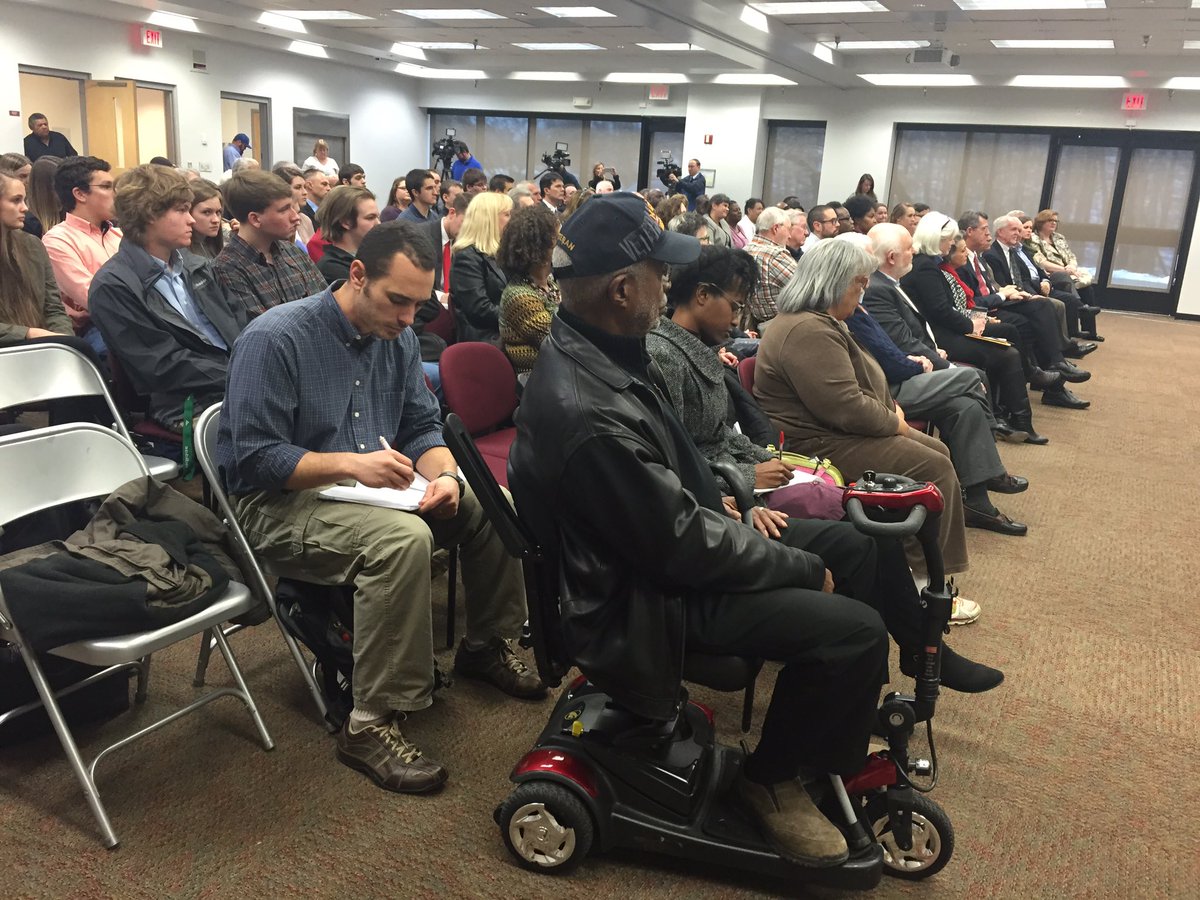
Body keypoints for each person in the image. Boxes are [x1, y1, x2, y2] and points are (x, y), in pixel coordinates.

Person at [511, 192, 891, 867]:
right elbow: (680, 545)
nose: (670, 285)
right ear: (623, 290)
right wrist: (796, 567)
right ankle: (770, 779)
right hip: (643, 603)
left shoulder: (607, 350)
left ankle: (829, 732)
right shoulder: (588, 409)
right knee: (853, 631)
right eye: (661, 273)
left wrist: (742, 511)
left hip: (660, 558)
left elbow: (675, 497)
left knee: (852, 545)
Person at [217, 221, 541, 794]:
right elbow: (253, 459)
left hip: (366, 492)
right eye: (398, 301)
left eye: (419, 305)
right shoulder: (276, 338)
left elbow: (421, 428)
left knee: (493, 503)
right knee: (402, 541)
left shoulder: (399, 338)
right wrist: (349, 463)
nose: (409, 318)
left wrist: (445, 477)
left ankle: (486, 645)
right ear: (357, 275)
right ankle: (368, 722)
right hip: (275, 505)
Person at [647, 244, 1001, 686]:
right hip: (723, 502)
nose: (738, 321)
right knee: (871, 529)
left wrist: (765, 461)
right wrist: (746, 480)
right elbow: (671, 456)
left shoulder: (697, 349)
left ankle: (912, 648)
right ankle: (916, 646)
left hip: (738, 486)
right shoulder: (666, 356)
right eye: (735, 307)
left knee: (872, 532)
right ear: (702, 296)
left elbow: (717, 436)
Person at [753, 239, 975, 592]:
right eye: (859, 281)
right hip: (819, 444)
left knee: (939, 453)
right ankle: (924, 583)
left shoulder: (821, 321)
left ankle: (916, 567)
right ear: (834, 282)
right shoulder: (806, 329)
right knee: (934, 467)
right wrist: (894, 422)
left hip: (838, 432)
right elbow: (845, 407)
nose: (864, 289)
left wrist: (890, 411)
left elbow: (853, 391)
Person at [89, 164, 246, 432]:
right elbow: (161, 366)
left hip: (237, 383)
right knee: (289, 425)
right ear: (149, 214)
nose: (191, 220)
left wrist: (262, 363)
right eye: (182, 210)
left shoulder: (197, 266)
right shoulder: (113, 287)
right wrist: (243, 373)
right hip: (187, 403)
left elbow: (241, 324)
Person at [901, 213, 1050, 444]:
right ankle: (1017, 421)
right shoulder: (926, 267)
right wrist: (971, 324)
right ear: (936, 238)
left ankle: (1009, 417)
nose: (951, 244)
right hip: (937, 337)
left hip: (943, 330)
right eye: (949, 239)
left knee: (1007, 348)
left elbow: (946, 309)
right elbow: (941, 311)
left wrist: (972, 322)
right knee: (1007, 354)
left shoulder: (929, 263)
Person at [955, 210, 1091, 412]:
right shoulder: (964, 259)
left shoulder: (979, 257)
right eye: (984, 229)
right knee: (1033, 317)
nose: (988, 234)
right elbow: (971, 300)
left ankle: (1052, 371)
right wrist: (1004, 294)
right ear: (969, 231)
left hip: (998, 300)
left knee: (1043, 309)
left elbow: (1000, 283)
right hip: (983, 310)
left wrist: (1010, 292)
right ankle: (1047, 371)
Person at [213, 170, 327, 318]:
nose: (296, 217)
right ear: (255, 219)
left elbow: (328, 306)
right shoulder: (227, 269)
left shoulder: (293, 252)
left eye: (293, 207)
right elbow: (267, 329)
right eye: (284, 210)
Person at [42, 156, 122, 356]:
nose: (115, 194)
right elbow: (94, 298)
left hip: (131, 315)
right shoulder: (58, 240)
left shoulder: (120, 235)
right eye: (106, 187)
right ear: (80, 194)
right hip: (95, 326)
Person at [0, 171, 72, 346]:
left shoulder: (33, 245)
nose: (25, 208)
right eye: (16, 200)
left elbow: (54, 308)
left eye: (24, 200)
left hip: (41, 347)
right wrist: (27, 334)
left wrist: (64, 341)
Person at [497, 204, 560, 374]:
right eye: (557, 238)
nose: (562, 244)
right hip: (537, 380)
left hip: (559, 374)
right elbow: (560, 340)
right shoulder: (518, 296)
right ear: (540, 247)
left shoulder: (550, 283)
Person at [1028, 208, 1103, 337]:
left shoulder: (1059, 238)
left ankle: (1090, 331)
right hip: (1050, 274)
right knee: (1065, 282)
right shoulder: (1033, 239)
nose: (1054, 223)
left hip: (1068, 272)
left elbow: (1071, 256)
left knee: (1087, 289)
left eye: (1056, 221)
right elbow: (1041, 262)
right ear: (1041, 222)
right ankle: (1079, 308)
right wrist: (1065, 270)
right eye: (1050, 220)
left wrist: (1071, 266)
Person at [450, 191, 511, 343]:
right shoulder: (466, 257)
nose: (512, 220)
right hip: (485, 338)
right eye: (507, 214)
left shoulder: (500, 252)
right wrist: (520, 317)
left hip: (504, 331)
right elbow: (480, 309)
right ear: (490, 219)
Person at [315, 186, 380, 284]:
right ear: (346, 222)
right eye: (370, 218)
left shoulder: (372, 255)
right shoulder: (332, 268)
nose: (378, 223)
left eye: (378, 217)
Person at [744, 207, 795, 329]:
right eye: (788, 229)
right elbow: (805, 289)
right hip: (781, 325)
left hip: (755, 323)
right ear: (776, 228)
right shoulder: (775, 256)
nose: (789, 236)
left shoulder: (745, 250)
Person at [271, 162, 314, 246]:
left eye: (305, 187)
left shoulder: (305, 220)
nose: (305, 192)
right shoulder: (276, 222)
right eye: (298, 187)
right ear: (283, 189)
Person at [188, 179, 228, 259]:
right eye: (206, 212)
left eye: (218, 212)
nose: (216, 220)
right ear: (188, 212)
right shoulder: (179, 254)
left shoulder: (216, 244)